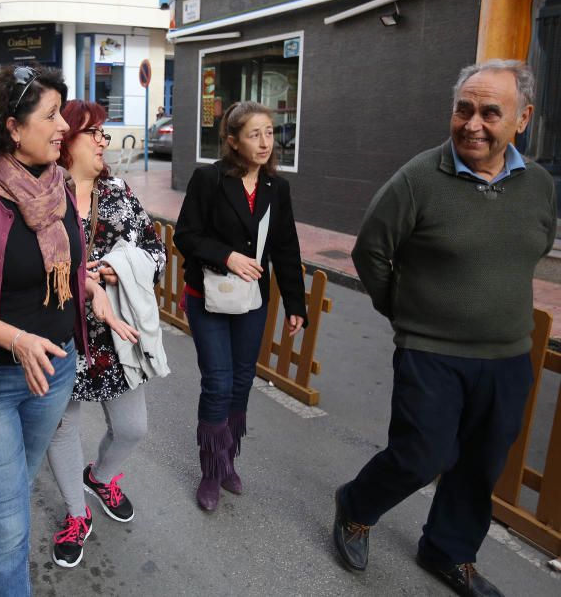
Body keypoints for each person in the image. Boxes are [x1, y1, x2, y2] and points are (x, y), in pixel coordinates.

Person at [334, 60, 554, 597]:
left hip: (506, 356)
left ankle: (449, 551)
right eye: (464, 109)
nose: (472, 123)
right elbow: (371, 251)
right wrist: (405, 312)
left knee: (481, 466)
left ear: (522, 118)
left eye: (489, 112)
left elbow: (537, 246)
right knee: (420, 455)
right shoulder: (418, 178)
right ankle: (356, 507)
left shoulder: (540, 185)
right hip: (430, 350)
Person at [0, 66, 138, 596]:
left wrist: (97, 299)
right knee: (6, 528)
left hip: (54, 372)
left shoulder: (58, 187)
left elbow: (71, 265)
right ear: (13, 128)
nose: (62, 127)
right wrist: (16, 339)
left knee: (16, 490)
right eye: (50, 116)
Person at [45, 100, 168, 568]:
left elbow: (154, 252)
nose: (103, 140)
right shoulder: (41, 194)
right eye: (92, 131)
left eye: (103, 132)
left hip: (114, 335)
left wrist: (120, 269)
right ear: (66, 140)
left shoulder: (118, 192)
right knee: (63, 426)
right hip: (59, 330)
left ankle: (100, 476)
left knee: (133, 427)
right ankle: (77, 515)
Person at [174, 101, 307, 511]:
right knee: (218, 382)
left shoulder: (276, 188)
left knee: (241, 382)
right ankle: (211, 472)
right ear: (233, 141)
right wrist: (226, 256)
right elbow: (186, 236)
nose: (265, 142)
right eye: (254, 134)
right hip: (209, 298)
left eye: (270, 132)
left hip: (252, 302)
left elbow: (285, 247)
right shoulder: (209, 179)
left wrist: (296, 303)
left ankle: (228, 459)